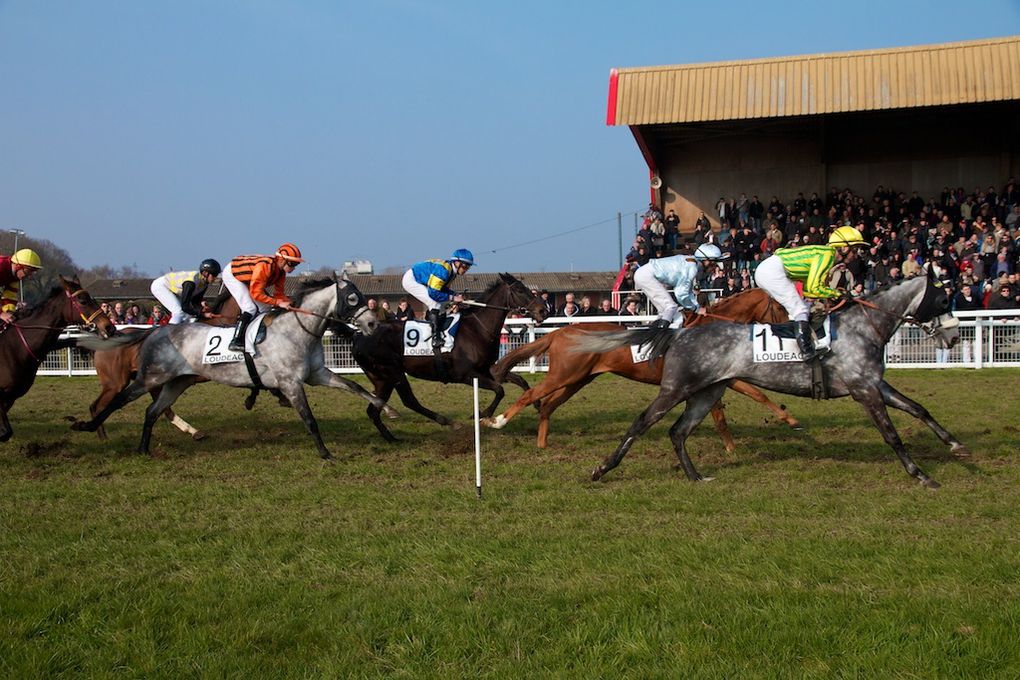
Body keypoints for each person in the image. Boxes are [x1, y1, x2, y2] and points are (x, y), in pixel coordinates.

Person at [753, 226, 868, 360]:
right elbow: (814, 288)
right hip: (772, 271)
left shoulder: (826, 254)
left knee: (803, 307)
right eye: (854, 250)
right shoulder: (827, 256)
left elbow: (809, 288)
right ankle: (806, 351)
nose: (856, 255)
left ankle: (805, 342)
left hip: (772, 270)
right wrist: (838, 294)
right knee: (800, 309)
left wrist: (817, 298)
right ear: (843, 248)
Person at [223, 243, 303, 351]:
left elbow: (279, 294)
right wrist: (279, 303)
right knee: (249, 308)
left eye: (296, 265)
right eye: (293, 264)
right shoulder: (265, 266)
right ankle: (236, 340)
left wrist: (293, 304)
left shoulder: (281, 273)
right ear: (282, 260)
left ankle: (258, 337)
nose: (294, 268)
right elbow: (256, 294)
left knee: (265, 308)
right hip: (233, 274)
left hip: (248, 277)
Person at [633, 243, 726, 330]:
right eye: (714, 263)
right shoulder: (692, 268)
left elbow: (688, 292)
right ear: (705, 260)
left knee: (664, 311)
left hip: (644, 274)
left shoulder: (692, 263)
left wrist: (697, 307)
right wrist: (696, 309)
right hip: (647, 276)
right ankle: (659, 335)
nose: (714, 267)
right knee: (671, 307)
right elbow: (680, 294)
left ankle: (652, 333)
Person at [402, 248, 474, 353]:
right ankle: (435, 337)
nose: (466, 269)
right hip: (411, 280)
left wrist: (455, 294)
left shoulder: (451, 272)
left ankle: (435, 328)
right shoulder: (444, 271)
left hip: (421, 281)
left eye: (468, 266)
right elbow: (434, 293)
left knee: (442, 303)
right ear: (457, 262)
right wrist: (453, 298)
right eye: (465, 265)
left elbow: (442, 289)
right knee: (434, 302)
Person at [149, 259, 222, 325]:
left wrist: (202, 309)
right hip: (160, 286)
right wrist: (202, 314)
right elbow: (185, 307)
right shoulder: (190, 283)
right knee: (178, 312)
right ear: (205, 273)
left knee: (187, 316)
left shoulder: (204, 283)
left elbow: (195, 302)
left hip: (172, 289)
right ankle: (168, 335)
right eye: (214, 274)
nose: (216, 278)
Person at [0, 249, 42, 323]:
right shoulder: (1, 266)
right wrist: (1, 313)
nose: (29, 277)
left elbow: (9, 297)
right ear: (18, 266)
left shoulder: (15, 277)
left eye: (33, 273)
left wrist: (9, 312)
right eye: (28, 272)